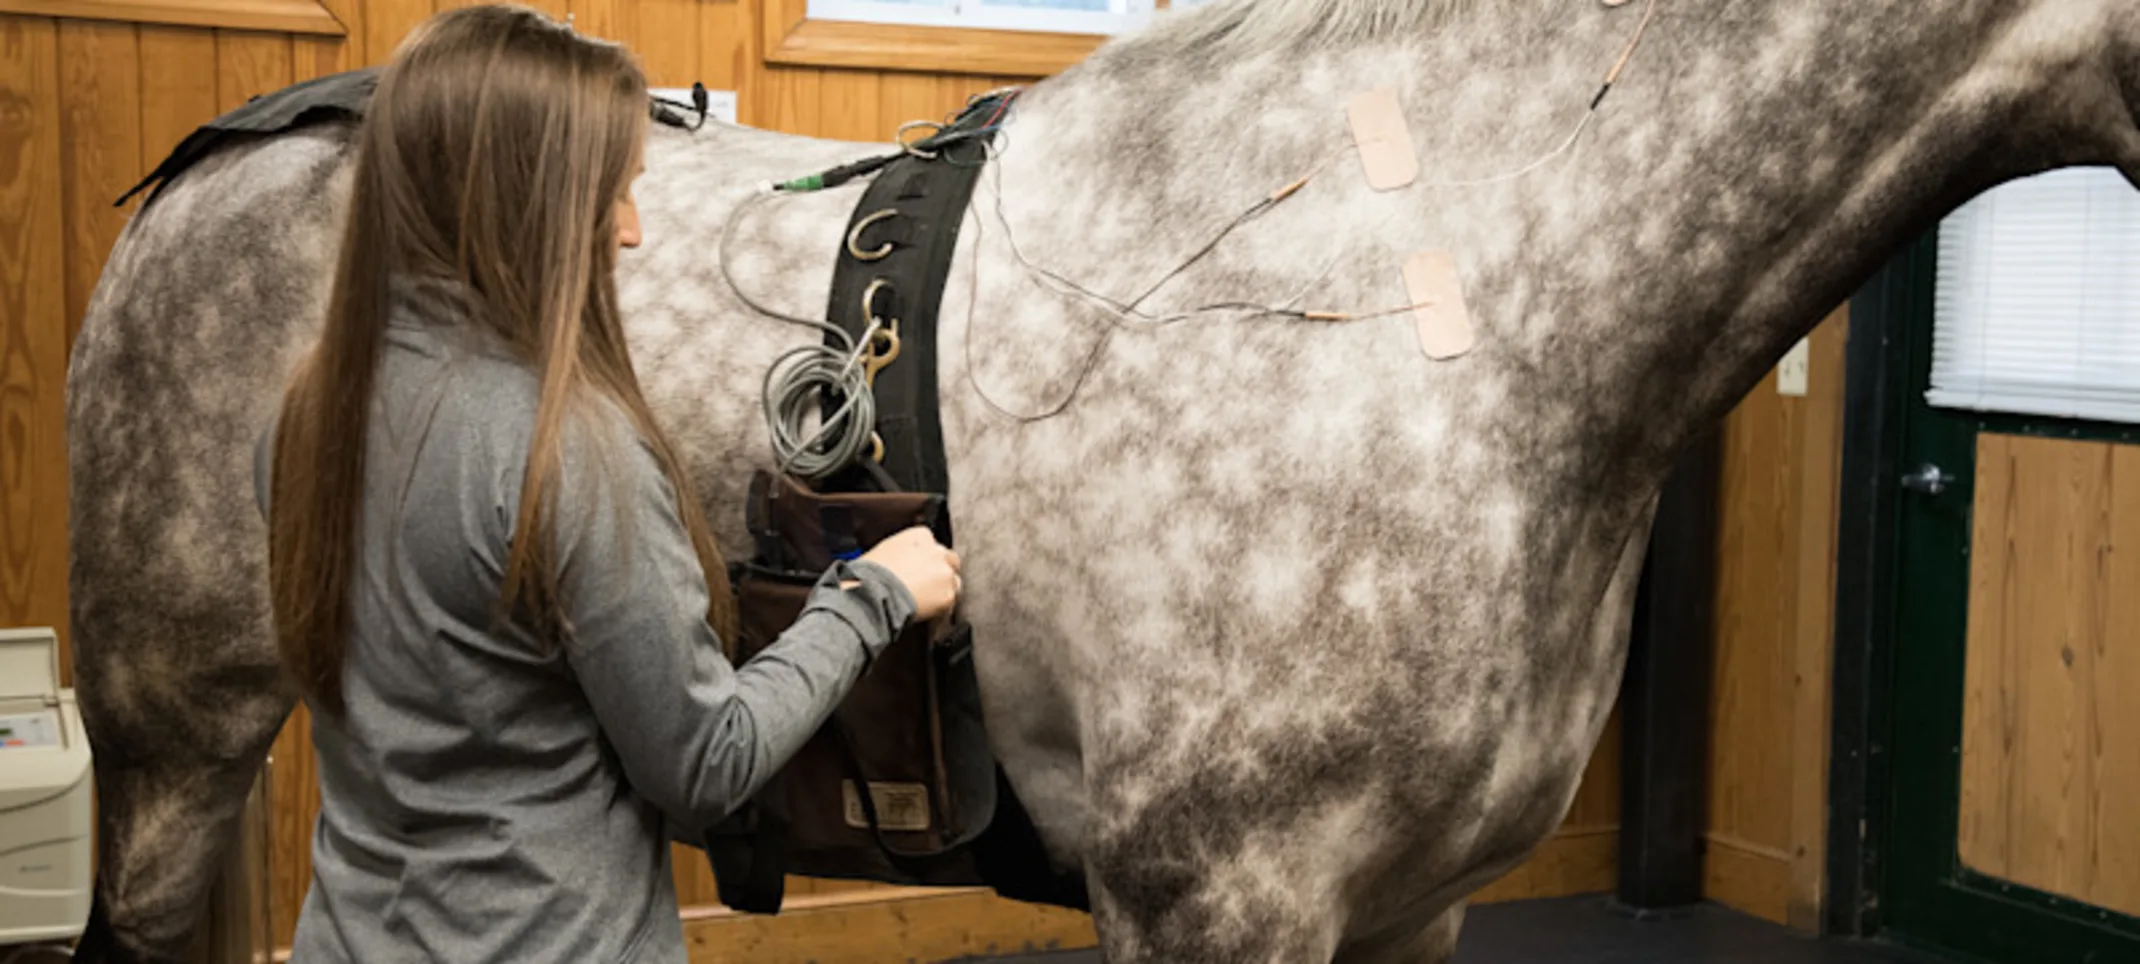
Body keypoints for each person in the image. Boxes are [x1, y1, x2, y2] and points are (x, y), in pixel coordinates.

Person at [254, 5, 963, 961]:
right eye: (614, 194)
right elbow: (706, 765)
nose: (631, 233)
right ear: (528, 205)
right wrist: (871, 598)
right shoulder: (567, 451)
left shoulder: (305, 410)